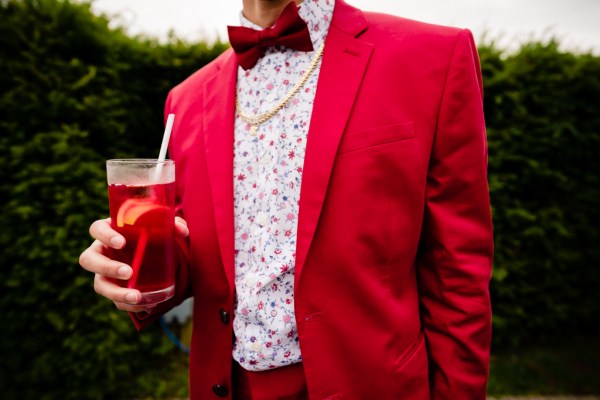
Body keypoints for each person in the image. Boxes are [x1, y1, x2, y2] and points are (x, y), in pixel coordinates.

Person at [79, 0, 494, 398]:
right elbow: (202, 250)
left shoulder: (433, 57)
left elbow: (457, 271)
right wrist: (130, 264)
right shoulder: (185, 99)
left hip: (371, 383)